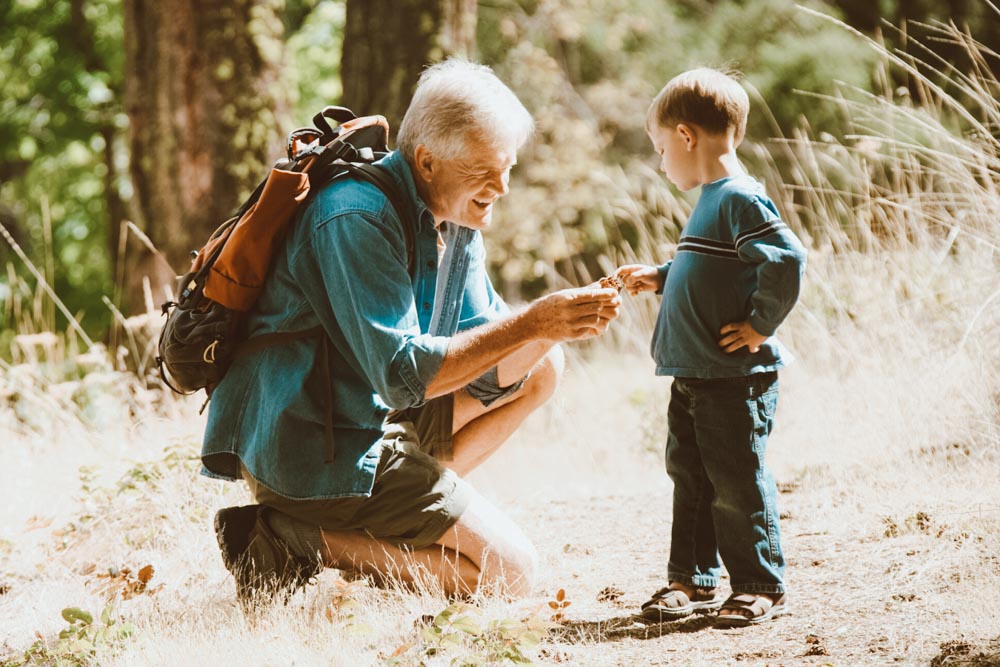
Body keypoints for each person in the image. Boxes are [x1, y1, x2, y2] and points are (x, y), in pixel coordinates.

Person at [202, 58, 622, 607]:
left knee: (542, 364)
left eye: (509, 168)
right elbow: (403, 377)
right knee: (509, 574)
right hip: (311, 445)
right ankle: (290, 538)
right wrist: (535, 319)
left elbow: (485, 345)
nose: (503, 186)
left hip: (372, 416)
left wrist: (555, 327)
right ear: (427, 161)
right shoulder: (353, 216)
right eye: (486, 171)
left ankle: (401, 515)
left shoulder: (455, 217)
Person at [616, 68, 807, 627]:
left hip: (732, 376)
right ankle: (691, 579)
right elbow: (713, 268)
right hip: (694, 371)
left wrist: (760, 326)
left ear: (685, 136)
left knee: (735, 478)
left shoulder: (739, 197)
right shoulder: (710, 200)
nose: (660, 162)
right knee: (691, 475)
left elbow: (786, 259)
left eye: (658, 149)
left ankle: (757, 584)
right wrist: (660, 275)